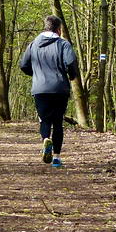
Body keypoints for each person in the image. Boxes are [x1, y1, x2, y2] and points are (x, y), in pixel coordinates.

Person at [19, 15, 79, 167]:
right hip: (59, 88)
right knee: (58, 122)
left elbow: (24, 65)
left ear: (45, 27)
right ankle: (57, 158)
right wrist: (72, 76)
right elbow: (71, 63)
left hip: (40, 89)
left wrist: (37, 75)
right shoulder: (63, 44)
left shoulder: (33, 44)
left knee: (45, 119)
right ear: (59, 30)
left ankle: (46, 139)